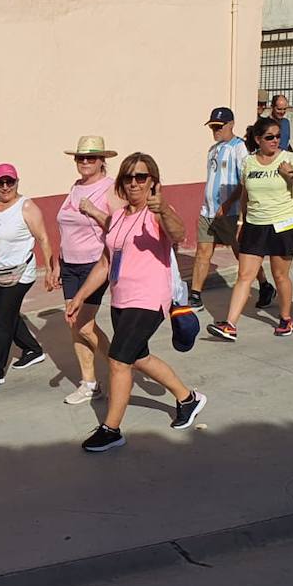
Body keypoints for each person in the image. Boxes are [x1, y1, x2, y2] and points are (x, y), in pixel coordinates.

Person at [65, 153, 206, 453]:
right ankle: (188, 398)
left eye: (141, 177)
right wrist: (79, 297)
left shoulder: (157, 213)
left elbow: (178, 233)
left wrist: (164, 209)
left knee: (118, 360)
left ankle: (111, 429)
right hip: (121, 298)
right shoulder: (117, 217)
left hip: (149, 298)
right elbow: (105, 262)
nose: (134, 183)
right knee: (138, 357)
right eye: (128, 177)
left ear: (153, 181)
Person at [207, 117, 293, 341]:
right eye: (270, 137)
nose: (275, 140)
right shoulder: (248, 162)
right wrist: (241, 222)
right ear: (258, 139)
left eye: (278, 136)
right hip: (255, 225)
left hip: (282, 224)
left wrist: (292, 174)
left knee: (280, 276)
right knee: (244, 276)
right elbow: (245, 194)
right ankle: (230, 325)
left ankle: (285, 318)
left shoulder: (288, 159)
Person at [0, 163, 53, 386]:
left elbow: (43, 238)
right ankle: (32, 349)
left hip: (18, 274)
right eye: (0, 182)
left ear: (17, 182)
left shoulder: (26, 207)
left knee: (3, 321)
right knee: (9, 315)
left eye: (9, 182)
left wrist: (51, 269)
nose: (5, 187)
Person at [52, 136, 121, 405]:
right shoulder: (76, 187)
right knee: (75, 325)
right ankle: (89, 382)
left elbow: (117, 226)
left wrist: (93, 211)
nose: (84, 162)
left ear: (102, 161)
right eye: (80, 157)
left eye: (91, 157)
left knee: (84, 324)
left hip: (95, 263)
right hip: (70, 264)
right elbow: (65, 227)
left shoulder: (110, 189)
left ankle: (120, 363)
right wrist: (58, 261)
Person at [189, 108, 275, 311]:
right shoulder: (213, 149)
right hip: (208, 211)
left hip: (231, 212)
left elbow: (244, 181)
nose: (215, 131)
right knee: (203, 251)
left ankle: (264, 285)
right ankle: (195, 295)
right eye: (212, 127)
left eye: (219, 127)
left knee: (242, 254)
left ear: (230, 125)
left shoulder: (239, 148)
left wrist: (228, 205)